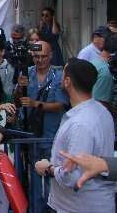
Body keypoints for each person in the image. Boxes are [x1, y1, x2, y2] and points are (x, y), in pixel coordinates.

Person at [35, 59, 115, 213]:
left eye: (63, 74)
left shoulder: (81, 123)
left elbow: (73, 176)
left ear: (67, 81)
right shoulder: (101, 111)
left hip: (78, 207)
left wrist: (48, 169)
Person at [14, 41, 68, 213]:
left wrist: (35, 104)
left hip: (51, 135)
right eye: (36, 56)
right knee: (35, 179)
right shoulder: (27, 73)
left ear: (51, 55)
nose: (40, 60)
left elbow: (61, 105)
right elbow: (17, 101)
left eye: (44, 56)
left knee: (54, 177)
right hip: (31, 135)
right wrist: (19, 88)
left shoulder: (58, 75)